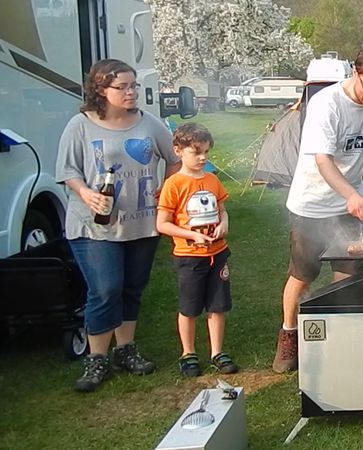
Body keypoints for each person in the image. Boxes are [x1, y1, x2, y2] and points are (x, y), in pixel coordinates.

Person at [56, 59, 181, 392]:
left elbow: (174, 159)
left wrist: (165, 189)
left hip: (142, 222)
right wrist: (85, 193)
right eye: (122, 87)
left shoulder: (149, 124)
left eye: (133, 86)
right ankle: (97, 358)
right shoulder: (80, 125)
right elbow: (68, 169)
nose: (130, 93)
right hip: (94, 224)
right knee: (106, 288)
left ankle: (125, 350)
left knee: (131, 288)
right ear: (100, 90)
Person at [272, 44, 363, 373]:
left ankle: (338, 336)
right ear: (356, 72)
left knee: (349, 274)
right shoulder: (326, 104)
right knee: (303, 274)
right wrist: (349, 194)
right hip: (312, 204)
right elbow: (323, 160)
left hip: (349, 206)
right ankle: (289, 334)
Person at [156, 123, 239, 377]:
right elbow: (162, 224)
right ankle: (188, 353)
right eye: (197, 152)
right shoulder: (174, 184)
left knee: (217, 305)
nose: (203, 157)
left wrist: (223, 225)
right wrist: (191, 235)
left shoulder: (212, 180)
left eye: (206, 152)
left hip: (218, 253)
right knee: (189, 306)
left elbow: (222, 210)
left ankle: (217, 352)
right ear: (178, 151)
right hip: (189, 257)